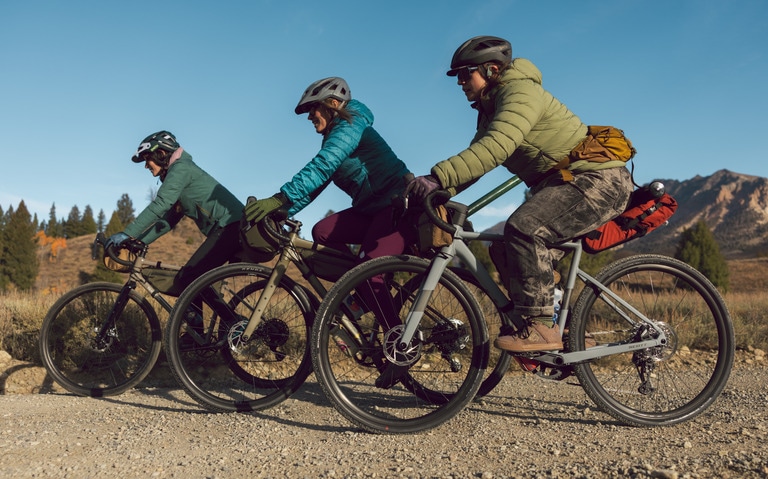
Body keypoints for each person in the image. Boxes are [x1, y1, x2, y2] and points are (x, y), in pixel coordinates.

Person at [406, 35, 634, 353]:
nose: (459, 81)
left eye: (464, 72)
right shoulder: (491, 107)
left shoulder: (520, 92)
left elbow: (497, 147)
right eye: (456, 76)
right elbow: (479, 159)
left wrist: (437, 176)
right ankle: (563, 329)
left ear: (492, 68)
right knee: (504, 250)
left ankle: (541, 326)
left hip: (599, 180)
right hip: (568, 184)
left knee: (525, 229)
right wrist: (440, 189)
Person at [243, 77, 414, 387]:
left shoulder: (351, 124)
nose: (310, 117)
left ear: (333, 105)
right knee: (322, 232)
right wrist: (283, 210)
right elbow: (316, 185)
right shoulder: (333, 139)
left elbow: (323, 166)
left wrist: (279, 196)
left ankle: (403, 348)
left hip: (396, 205)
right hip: (371, 209)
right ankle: (359, 297)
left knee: (370, 271)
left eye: (313, 110)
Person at [106, 130, 245, 296]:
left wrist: (126, 234)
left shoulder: (181, 168)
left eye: (147, 159)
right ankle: (198, 321)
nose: (145, 165)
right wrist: (139, 241)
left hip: (230, 226)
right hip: (227, 228)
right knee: (193, 280)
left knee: (190, 278)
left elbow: (161, 204)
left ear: (161, 153)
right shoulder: (178, 172)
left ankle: (230, 321)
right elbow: (167, 221)